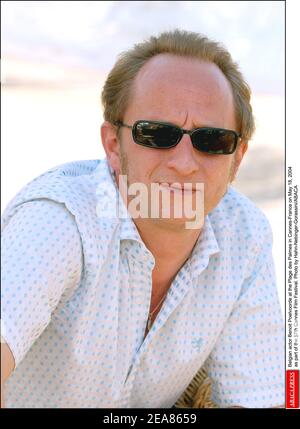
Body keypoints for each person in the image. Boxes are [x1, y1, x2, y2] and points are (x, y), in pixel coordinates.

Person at [1, 29, 284, 408]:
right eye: (157, 135)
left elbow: (263, 398)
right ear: (113, 146)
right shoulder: (59, 220)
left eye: (212, 140)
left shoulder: (244, 235)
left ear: (238, 158)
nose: (184, 164)